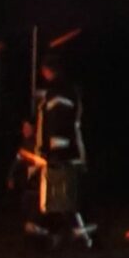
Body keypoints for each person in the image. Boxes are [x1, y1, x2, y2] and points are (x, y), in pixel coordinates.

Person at [25, 60, 94, 246]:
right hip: (56, 153)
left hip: (60, 153)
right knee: (54, 193)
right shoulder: (57, 92)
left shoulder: (59, 93)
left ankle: (77, 233)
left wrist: (56, 149)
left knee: (60, 193)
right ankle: (48, 229)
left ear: (47, 71)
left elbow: (57, 122)